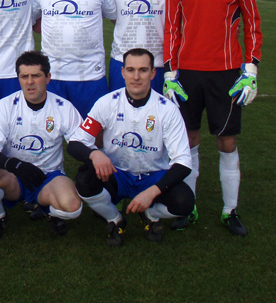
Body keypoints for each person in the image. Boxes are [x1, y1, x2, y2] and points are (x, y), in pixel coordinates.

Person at [163, 0, 262, 236]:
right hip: (188, 75)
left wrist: (251, 69)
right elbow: (171, 29)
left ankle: (229, 211)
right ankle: (188, 207)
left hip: (226, 74)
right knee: (188, 141)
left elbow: (253, 24)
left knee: (226, 142)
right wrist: (170, 74)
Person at [68, 48, 194, 245]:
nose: (136, 77)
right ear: (123, 72)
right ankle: (115, 219)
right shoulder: (107, 103)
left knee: (185, 202)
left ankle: (151, 214)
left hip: (153, 175)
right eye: (131, 70)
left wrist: (152, 192)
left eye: (143, 70)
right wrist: (95, 155)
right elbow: (76, 142)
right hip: (117, 173)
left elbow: (183, 162)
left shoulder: (167, 110)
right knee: (84, 179)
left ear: (153, 73)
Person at [0, 51, 84, 241]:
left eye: (36, 76)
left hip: (48, 176)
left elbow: (80, 143)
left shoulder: (63, 107)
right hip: (14, 177)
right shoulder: (5, 106)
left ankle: (49, 211)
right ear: (18, 78)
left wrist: (93, 159)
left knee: (73, 206)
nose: (29, 82)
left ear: (48, 78)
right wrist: (16, 166)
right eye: (24, 76)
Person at [31, 0, 113, 117]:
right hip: (53, 76)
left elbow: (115, 18)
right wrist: (60, 32)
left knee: (92, 131)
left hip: (90, 76)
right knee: (52, 131)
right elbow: (34, 19)